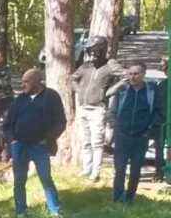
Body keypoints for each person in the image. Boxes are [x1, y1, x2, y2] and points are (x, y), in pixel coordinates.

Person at [4, 68, 67, 218]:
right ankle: (21, 212)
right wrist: (12, 140)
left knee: (45, 178)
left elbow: (60, 122)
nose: (23, 84)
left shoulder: (51, 97)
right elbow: (7, 124)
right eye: (23, 81)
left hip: (40, 146)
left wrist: (49, 138)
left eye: (26, 81)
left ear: (37, 81)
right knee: (19, 180)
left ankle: (55, 210)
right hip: (19, 145)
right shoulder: (20, 99)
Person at [109, 61, 165, 204]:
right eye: (130, 73)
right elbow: (111, 109)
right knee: (120, 169)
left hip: (141, 137)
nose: (133, 77)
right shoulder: (122, 90)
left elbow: (159, 113)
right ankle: (117, 199)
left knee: (135, 171)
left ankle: (129, 198)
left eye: (136, 74)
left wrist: (149, 130)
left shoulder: (151, 91)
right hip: (122, 136)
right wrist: (115, 125)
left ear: (143, 74)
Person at [70, 35, 123, 182]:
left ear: (102, 50)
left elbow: (125, 77)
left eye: (95, 51)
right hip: (83, 107)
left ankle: (95, 172)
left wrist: (110, 91)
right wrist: (78, 89)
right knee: (85, 140)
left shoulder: (110, 65)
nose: (92, 54)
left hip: (97, 108)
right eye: (90, 51)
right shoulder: (86, 66)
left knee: (96, 142)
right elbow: (73, 78)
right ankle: (87, 169)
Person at [154, 57, 168, 183]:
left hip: (166, 122)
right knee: (159, 149)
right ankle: (159, 172)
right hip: (161, 123)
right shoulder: (162, 85)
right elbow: (156, 104)